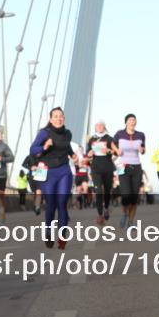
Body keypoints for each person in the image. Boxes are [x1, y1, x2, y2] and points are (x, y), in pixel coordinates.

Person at [29, 107, 77, 249]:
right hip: (48, 172)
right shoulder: (45, 133)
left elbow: (65, 146)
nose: (58, 119)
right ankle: (48, 232)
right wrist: (44, 146)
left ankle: (62, 236)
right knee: (51, 204)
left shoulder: (68, 133)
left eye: (61, 116)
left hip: (64, 171)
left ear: (64, 118)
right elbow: (32, 150)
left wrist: (72, 154)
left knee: (62, 203)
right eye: (55, 116)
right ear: (50, 119)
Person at [114, 113, 146, 229]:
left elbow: (143, 150)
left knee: (134, 197)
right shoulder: (119, 134)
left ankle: (131, 221)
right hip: (123, 166)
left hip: (137, 167)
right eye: (130, 120)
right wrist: (116, 150)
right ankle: (124, 214)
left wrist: (142, 149)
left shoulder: (141, 135)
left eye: (134, 120)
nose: (132, 122)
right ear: (126, 122)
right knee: (126, 195)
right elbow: (112, 144)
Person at [86, 120, 117, 225]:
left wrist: (109, 151)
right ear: (95, 127)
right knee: (98, 191)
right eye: (97, 125)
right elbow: (87, 154)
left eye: (101, 125)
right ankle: (99, 214)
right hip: (96, 169)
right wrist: (89, 153)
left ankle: (107, 207)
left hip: (108, 168)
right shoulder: (91, 139)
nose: (99, 127)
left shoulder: (110, 138)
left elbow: (116, 151)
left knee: (107, 191)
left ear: (104, 127)